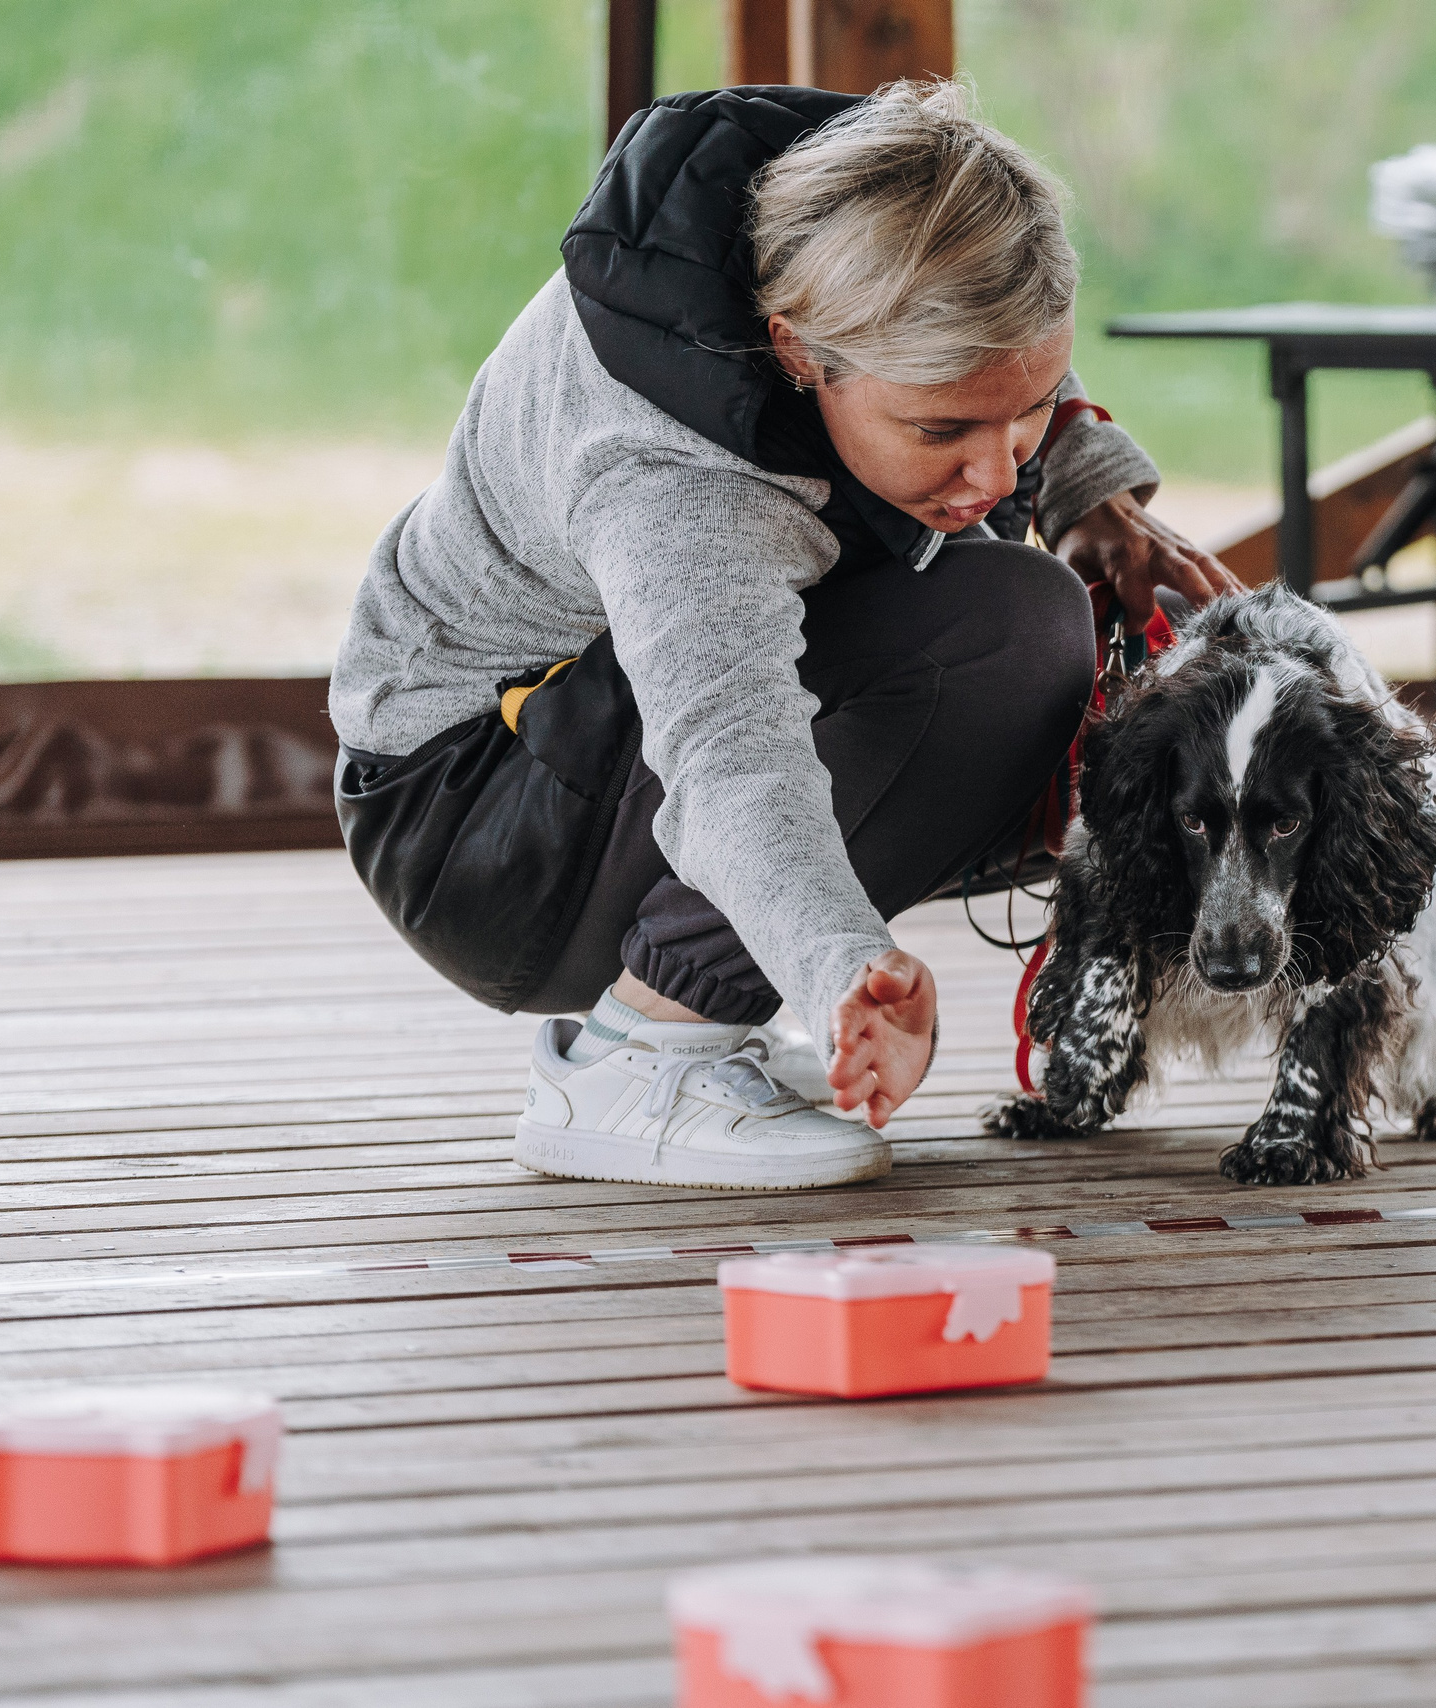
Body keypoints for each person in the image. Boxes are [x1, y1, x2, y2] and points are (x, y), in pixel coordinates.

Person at [329, 81, 1239, 1191]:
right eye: (941, 429)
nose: (1001, 472)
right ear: (797, 350)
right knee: (1003, 633)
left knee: (1035, 634)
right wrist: (840, 966)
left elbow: (975, 338)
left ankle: (705, 1010)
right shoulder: (673, 476)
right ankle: (638, 1057)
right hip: (479, 835)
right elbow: (729, 759)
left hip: (578, 759)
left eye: (1030, 409)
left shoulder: (867, 209)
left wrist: (1089, 485)